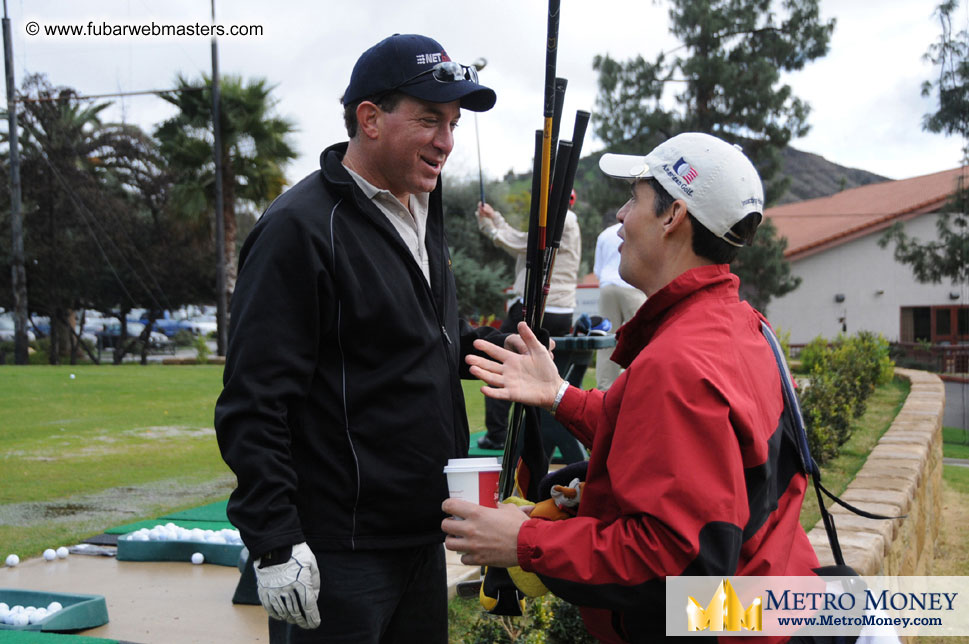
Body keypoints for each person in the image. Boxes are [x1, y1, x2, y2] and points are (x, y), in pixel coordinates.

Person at [443, 133, 820, 643]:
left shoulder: (678, 362)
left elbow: (674, 560)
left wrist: (527, 541)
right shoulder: (741, 327)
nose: (620, 216)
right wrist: (560, 395)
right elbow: (666, 447)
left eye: (634, 198)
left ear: (673, 216)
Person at [214, 34, 501, 644]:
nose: (446, 141)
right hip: (338, 553)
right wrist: (273, 541)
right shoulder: (300, 228)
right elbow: (254, 401)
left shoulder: (421, 207)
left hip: (421, 536)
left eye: (451, 123)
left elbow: (416, 338)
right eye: (429, 119)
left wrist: (495, 351)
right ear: (369, 118)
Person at [474, 191, 581, 450]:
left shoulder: (560, 220)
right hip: (560, 309)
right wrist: (496, 217)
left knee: (501, 361)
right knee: (534, 369)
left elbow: (521, 243)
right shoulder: (567, 220)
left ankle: (498, 434)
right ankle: (534, 437)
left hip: (537, 307)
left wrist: (490, 228)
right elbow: (523, 241)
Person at [592, 217, 645, 390]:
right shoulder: (639, 229)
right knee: (642, 339)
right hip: (632, 287)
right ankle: (641, 383)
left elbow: (597, 270)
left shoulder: (604, 234)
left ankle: (605, 387)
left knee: (607, 339)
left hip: (607, 286)